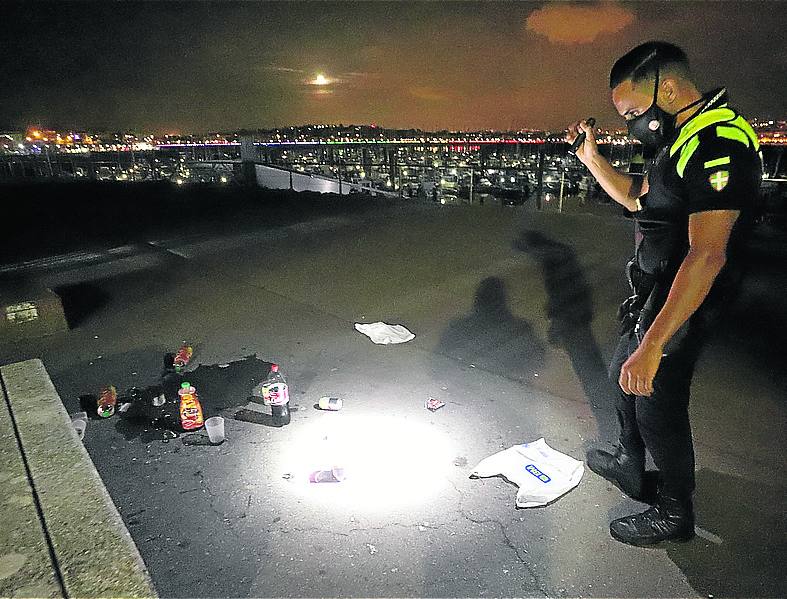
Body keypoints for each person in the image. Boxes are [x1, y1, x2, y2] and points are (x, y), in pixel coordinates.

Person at [565, 41, 761, 546]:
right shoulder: (678, 137)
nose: (632, 122)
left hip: (690, 298)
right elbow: (637, 198)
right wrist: (592, 158)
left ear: (666, 88)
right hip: (656, 289)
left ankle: (675, 512)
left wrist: (654, 345)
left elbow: (708, 255)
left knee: (657, 401)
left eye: (632, 111)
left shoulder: (718, 143)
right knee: (620, 375)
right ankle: (632, 464)